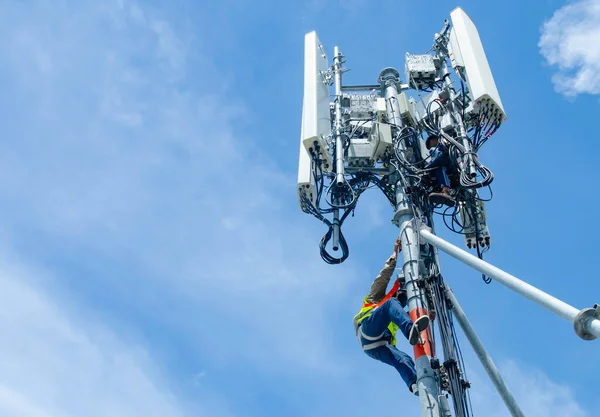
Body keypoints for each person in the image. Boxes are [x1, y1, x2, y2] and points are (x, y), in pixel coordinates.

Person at [353, 238, 430, 396]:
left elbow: (415, 314)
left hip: (377, 345)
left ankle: (415, 384)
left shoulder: (397, 311)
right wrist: (395, 253)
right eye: (402, 295)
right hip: (368, 330)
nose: (403, 300)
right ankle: (409, 331)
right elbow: (385, 275)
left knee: (402, 359)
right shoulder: (378, 298)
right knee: (391, 305)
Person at [424, 134, 455, 207]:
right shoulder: (438, 147)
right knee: (438, 171)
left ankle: (446, 191)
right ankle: (442, 192)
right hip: (448, 165)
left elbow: (438, 158)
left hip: (444, 164)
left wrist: (426, 168)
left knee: (440, 169)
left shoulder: (438, 147)